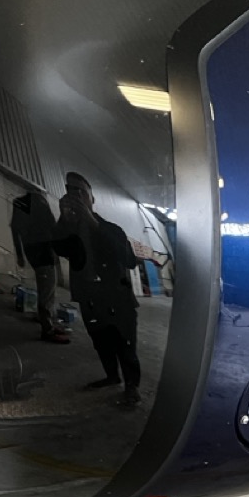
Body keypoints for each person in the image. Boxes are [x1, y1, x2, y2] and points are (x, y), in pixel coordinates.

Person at [53, 172, 141, 405]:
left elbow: (129, 260)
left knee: (125, 344)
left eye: (81, 192)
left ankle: (132, 387)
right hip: (90, 299)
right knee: (101, 342)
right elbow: (58, 248)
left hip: (118, 299)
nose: (77, 196)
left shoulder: (112, 229)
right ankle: (112, 376)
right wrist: (64, 219)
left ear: (92, 198)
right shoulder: (70, 231)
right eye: (71, 191)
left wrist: (92, 222)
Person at [10, 190, 70, 343]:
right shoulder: (41, 203)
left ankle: (45, 319)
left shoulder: (19, 203)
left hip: (32, 252)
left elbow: (15, 230)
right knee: (47, 291)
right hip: (44, 253)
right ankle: (48, 329)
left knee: (45, 288)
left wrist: (20, 255)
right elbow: (54, 229)